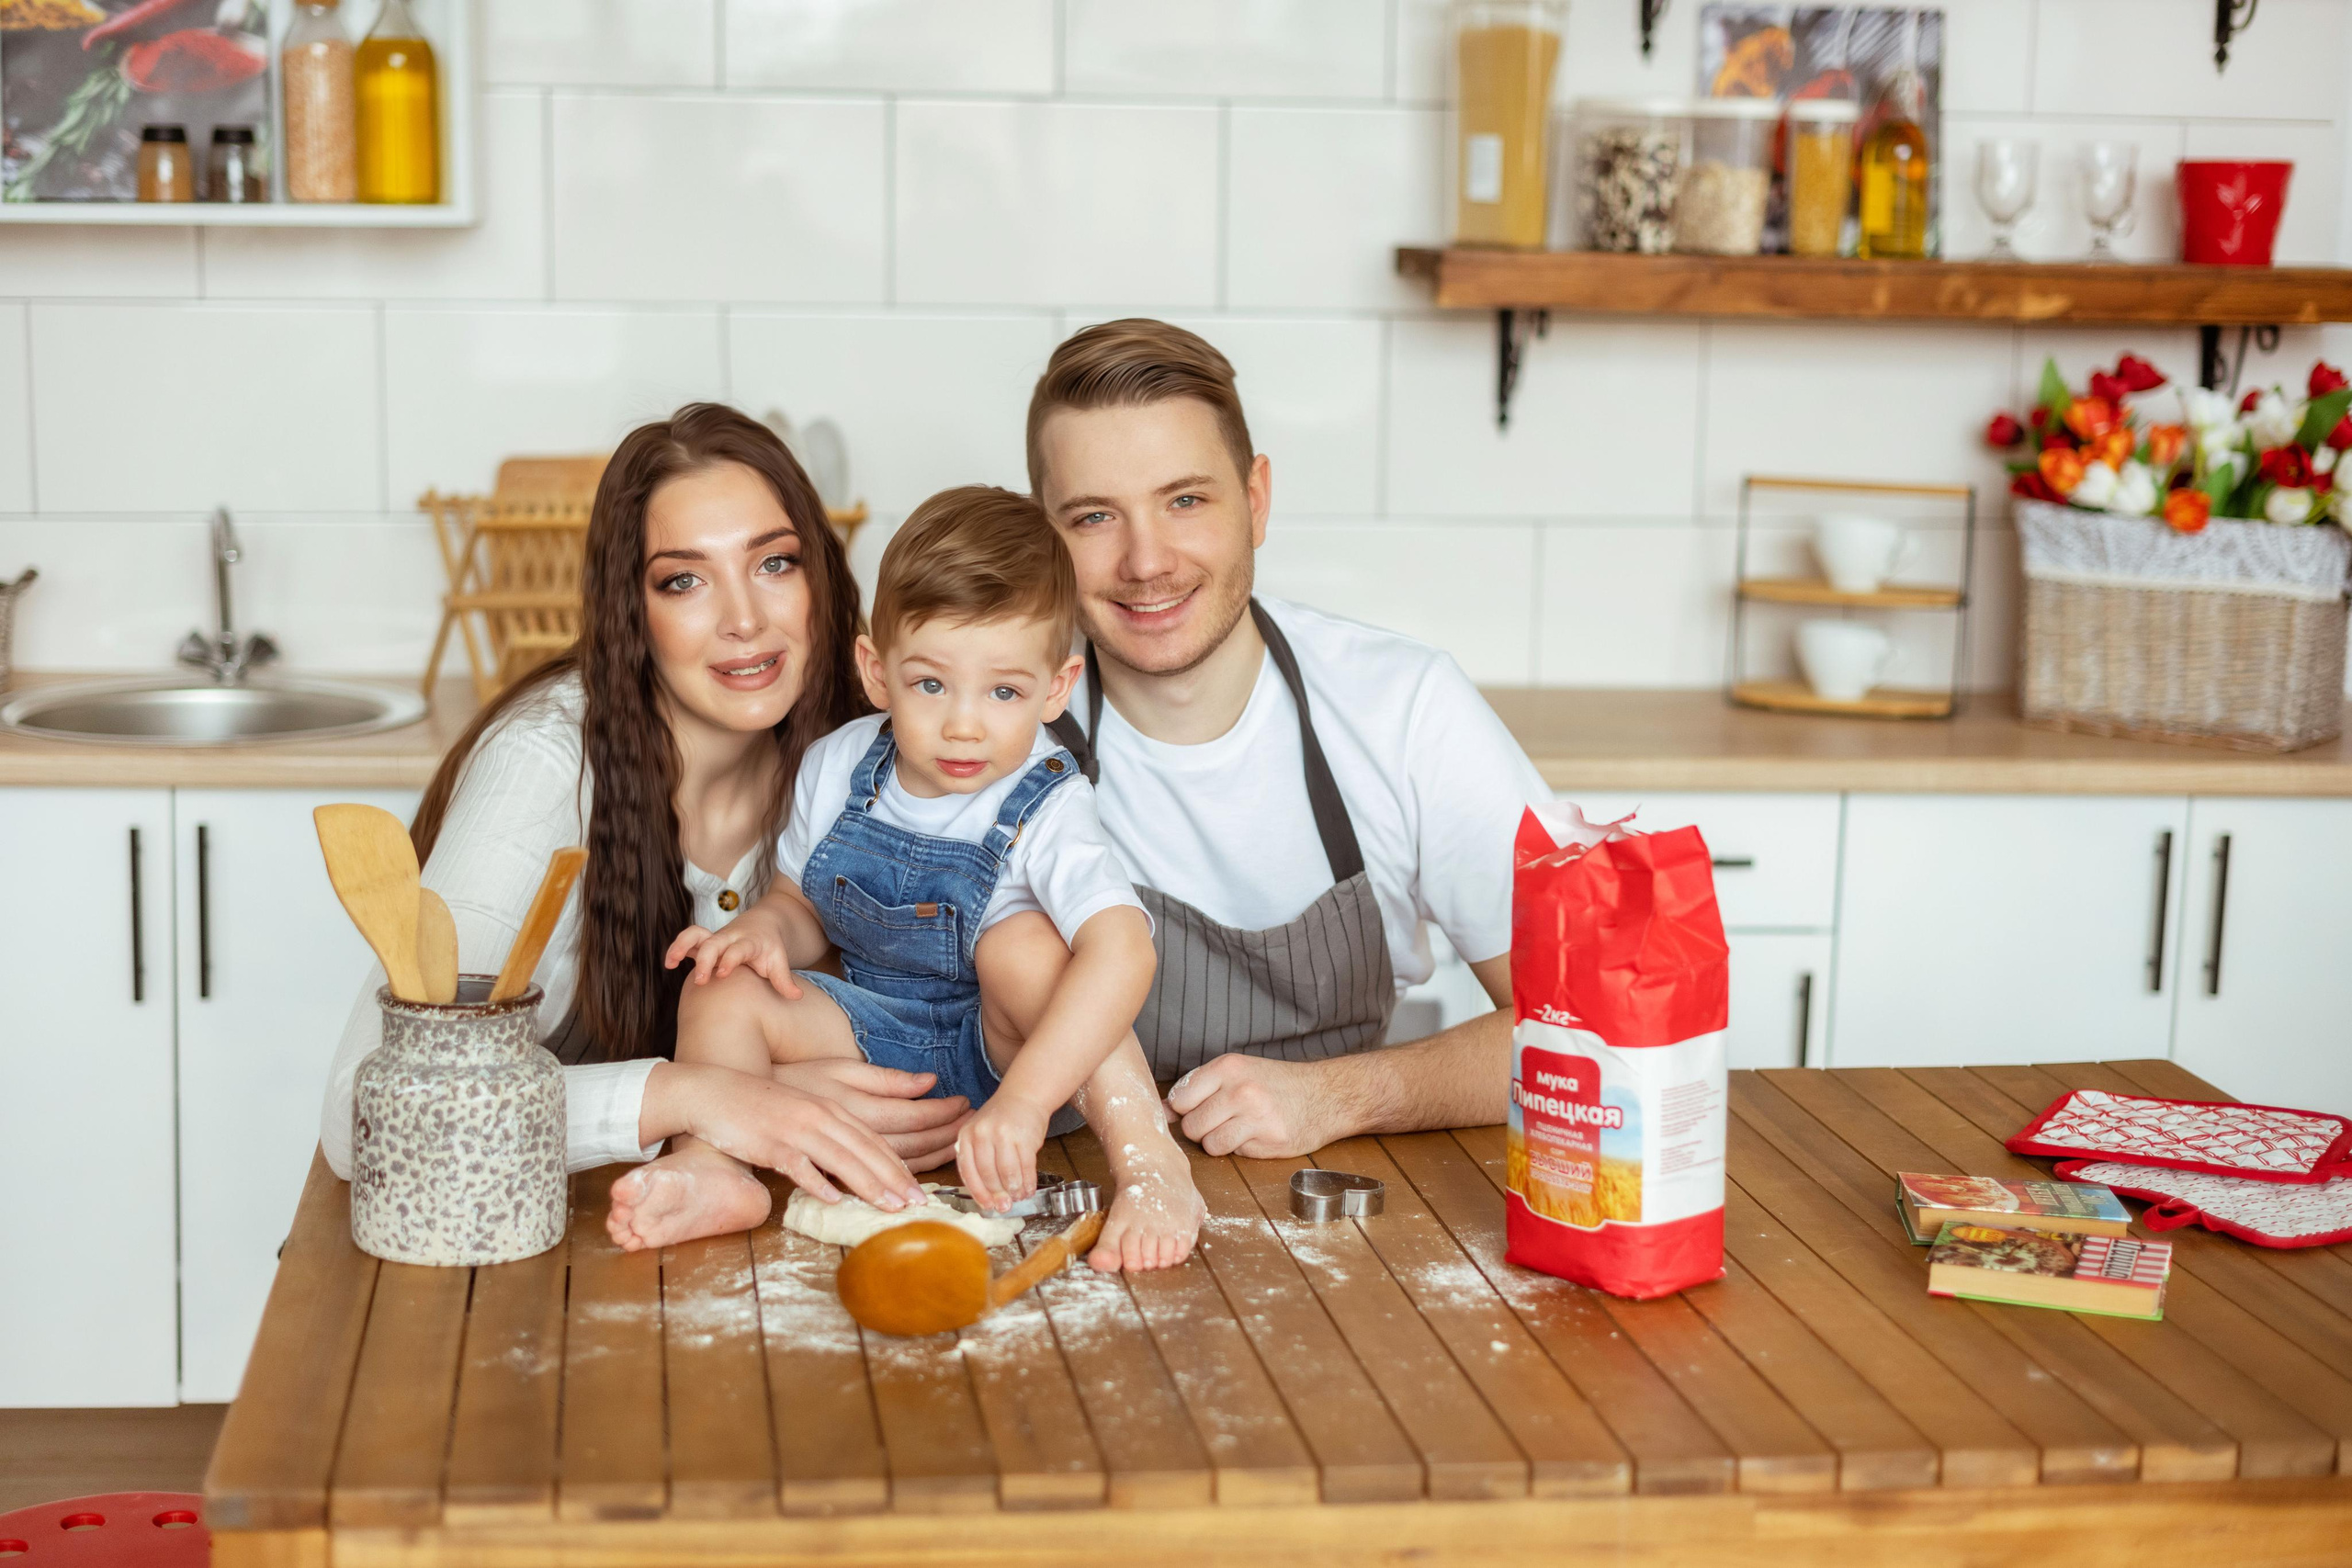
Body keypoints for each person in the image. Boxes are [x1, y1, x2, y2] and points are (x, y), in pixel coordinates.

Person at [320, 403, 951, 1216]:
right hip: (512, 1234)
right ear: (632, 615)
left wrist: (763, 1089)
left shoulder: (868, 755)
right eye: (684, 580)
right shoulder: (547, 767)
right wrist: (700, 1097)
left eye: (775, 563)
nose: (745, 620)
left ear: (819, 577)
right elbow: (365, 1116)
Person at [1012, 319, 1552, 1156]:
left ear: (1255, 501)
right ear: (1042, 538)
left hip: (1340, 1202)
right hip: (1075, 1198)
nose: (1146, 560)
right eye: (1092, 518)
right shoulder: (995, 732)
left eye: (1185, 500)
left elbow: (1584, 1031)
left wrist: (1342, 1095)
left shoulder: (1403, 711)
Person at [628, 487, 1202, 1271]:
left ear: (1056, 687)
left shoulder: (1048, 799)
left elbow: (1125, 951)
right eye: (931, 684)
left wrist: (1026, 1103)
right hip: (872, 1041)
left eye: (1003, 691)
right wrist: (761, 929)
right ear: (877, 670)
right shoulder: (839, 765)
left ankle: (1151, 1162)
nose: (964, 723)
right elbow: (802, 902)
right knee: (717, 982)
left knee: (1025, 946)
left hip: (1010, 1060)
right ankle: (714, 1163)